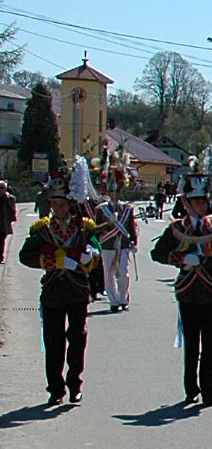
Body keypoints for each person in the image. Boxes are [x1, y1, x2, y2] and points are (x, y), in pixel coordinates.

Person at [17, 158, 101, 405]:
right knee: (53, 343)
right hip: (53, 293)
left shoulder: (83, 227)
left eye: (62, 204)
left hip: (77, 292)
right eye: (54, 204)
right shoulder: (41, 229)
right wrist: (52, 262)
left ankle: (75, 384)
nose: (58, 208)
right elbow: (25, 256)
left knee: (77, 341)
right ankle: (55, 388)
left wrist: (91, 255)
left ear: (70, 204)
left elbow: (94, 251)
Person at [151, 148, 212, 406]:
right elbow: (157, 253)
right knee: (191, 345)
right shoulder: (177, 229)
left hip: (209, 292)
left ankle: (210, 390)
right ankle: (191, 389)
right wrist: (181, 258)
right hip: (187, 291)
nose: (200, 206)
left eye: (203, 202)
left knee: (210, 343)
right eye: (195, 202)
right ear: (186, 202)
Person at [96, 183, 138, 312]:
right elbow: (97, 227)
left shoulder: (127, 209)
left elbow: (131, 226)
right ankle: (114, 301)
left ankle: (123, 299)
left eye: (117, 191)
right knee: (109, 274)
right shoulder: (101, 209)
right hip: (108, 244)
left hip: (123, 244)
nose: (115, 194)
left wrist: (134, 241)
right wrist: (108, 223)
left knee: (124, 274)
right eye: (112, 191)